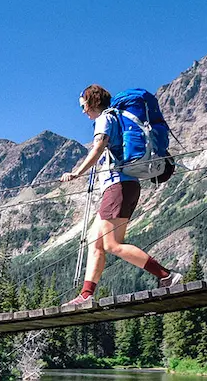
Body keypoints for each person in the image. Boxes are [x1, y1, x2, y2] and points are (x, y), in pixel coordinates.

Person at [58, 84, 180, 306]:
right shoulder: (113, 118)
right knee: (95, 242)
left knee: (112, 244)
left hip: (119, 187)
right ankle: (86, 295)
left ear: (92, 101)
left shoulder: (105, 118)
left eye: (83, 105)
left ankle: (166, 276)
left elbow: (98, 148)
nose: (83, 110)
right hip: (121, 187)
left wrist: (76, 173)